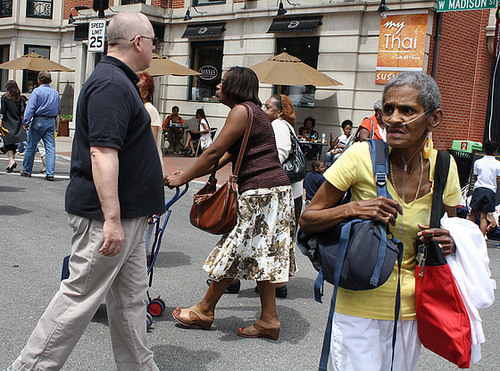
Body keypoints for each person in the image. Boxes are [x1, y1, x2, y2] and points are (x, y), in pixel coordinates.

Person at [5, 11, 164, 371]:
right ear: (138, 41)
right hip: (106, 217)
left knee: (129, 302)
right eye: (154, 40)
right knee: (78, 298)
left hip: (127, 215)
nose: (156, 47)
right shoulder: (111, 83)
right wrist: (111, 219)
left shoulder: (117, 80)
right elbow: (102, 151)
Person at [299, 71, 461, 370]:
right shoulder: (360, 156)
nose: (394, 119)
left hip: (415, 310)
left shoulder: (444, 167)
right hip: (358, 305)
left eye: (407, 110)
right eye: (388, 109)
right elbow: (308, 219)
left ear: (434, 118)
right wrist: (355, 208)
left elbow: (458, 232)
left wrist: (451, 240)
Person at [166, 66, 295, 340]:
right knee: (262, 254)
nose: (217, 86)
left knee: (234, 249)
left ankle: (204, 310)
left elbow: (213, 152)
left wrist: (183, 178)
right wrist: (188, 172)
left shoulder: (241, 111)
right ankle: (268, 319)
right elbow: (227, 155)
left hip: (261, 192)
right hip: (275, 191)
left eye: (222, 82)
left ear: (235, 86)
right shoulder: (255, 112)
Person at [263, 93, 302, 298]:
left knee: (278, 236)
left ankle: (278, 284)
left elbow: (280, 153)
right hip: (289, 191)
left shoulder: (279, 126)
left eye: (269, 107)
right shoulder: (282, 126)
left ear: (280, 112)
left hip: (284, 192)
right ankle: (276, 282)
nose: (264, 110)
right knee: (279, 237)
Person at [20, 71, 60, 180]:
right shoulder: (55, 93)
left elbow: (31, 108)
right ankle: (50, 173)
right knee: (50, 147)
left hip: (38, 120)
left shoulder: (36, 91)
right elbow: (57, 109)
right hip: (51, 120)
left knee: (31, 146)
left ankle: (27, 170)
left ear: (39, 80)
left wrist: (26, 121)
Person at [468, 140, 500, 236]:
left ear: (485, 149)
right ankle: (481, 237)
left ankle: (468, 235)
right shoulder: (498, 164)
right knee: (483, 216)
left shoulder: (478, 162)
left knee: (473, 214)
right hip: (490, 190)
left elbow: (475, 176)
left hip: (479, 189)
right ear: (496, 151)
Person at [138, 71, 164, 172]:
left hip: (147, 167)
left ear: (145, 93)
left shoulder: (149, 110)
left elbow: (151, 142)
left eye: (137, 88)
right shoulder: (139, 109)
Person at [1, 80, 26, 173]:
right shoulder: (21, 99)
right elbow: (22, 111)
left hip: (7, 122)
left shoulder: (4, 98)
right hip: (17, 123)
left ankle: (11, 161)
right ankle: (10, 163)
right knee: (13, 144)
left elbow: (2, 111)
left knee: (7, 143)